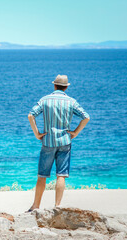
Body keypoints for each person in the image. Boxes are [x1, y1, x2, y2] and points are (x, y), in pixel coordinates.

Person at [26, 75, 90, 212]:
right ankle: (57, 206)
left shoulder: (45, 100)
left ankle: (36, 206)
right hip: (65, 141)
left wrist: (37, 133)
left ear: (54, 86)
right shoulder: (71, 101)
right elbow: (86, 117)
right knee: (61, 175)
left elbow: (31, 115)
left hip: (48, 141)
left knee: (42, 175)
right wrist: (75, 132)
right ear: (66, 87)